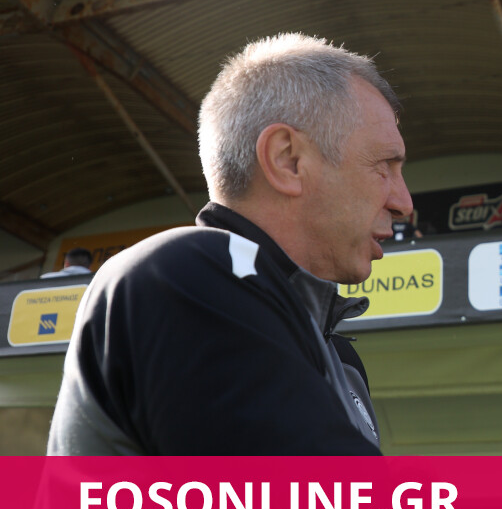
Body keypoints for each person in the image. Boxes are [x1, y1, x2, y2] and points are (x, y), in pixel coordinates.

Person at [47, 33, 412, 455]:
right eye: (383, 167)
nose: (403, 203)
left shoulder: (338, 358)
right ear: (287, 160)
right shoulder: (185, 276)